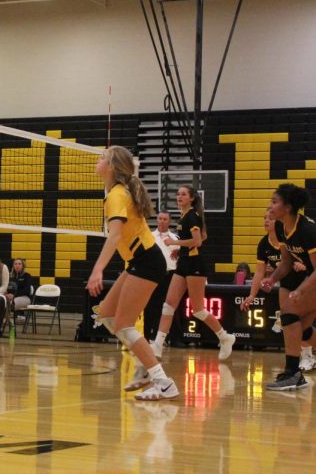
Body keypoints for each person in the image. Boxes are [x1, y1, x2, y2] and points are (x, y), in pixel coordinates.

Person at [86, 146, 177, 401]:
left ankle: (163, 382)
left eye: (102, 158)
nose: (97, 160)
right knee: (106, 315)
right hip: (138, 261)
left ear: (112, 166)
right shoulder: (117, 191)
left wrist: (97, 270)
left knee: (123, 324)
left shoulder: (116, 194)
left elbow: (114, 236)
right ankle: (147, 368)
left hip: (146, 261)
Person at [150, 185, 235, 360]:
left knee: (198, 310)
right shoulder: (184, 216)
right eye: (178, 194)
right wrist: (180, 250)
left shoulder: (192, 216)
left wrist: (175, 244)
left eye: (183, 194)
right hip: (184, 263)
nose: (179, 196)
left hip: (196, 265)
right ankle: (157, 346)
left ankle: (225, 337)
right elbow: (203, 236)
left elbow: (198, 241)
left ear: (192, 198)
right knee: (168, 305)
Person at [259, 183, 316, 390]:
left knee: (289, 313)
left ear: (288, 207)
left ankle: (293, 373)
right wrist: (272, 279)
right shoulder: (282, 228)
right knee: (303, 330)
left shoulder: (308, 230)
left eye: (275, 202)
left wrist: (301, 290)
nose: (270, 206)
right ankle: (294, 374)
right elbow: (286, 262)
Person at [242, 211, 281, 310]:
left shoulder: (288, 239)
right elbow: (259, 272)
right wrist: (251, 296)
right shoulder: (263, 244)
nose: (266, 220)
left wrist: (301, 264)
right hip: (285, 283)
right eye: (265, 218)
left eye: (270, 218)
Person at [147, 211, 178, 339]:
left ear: (169, 221)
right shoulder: (149, 236)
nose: (162, 221)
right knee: (151, 305)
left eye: (165, 219)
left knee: (170, 306)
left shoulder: (175, 238)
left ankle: (172, 337)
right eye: (160, 218)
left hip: (170, 276)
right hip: (153, 275)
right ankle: (149, 335)